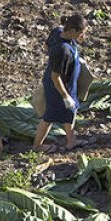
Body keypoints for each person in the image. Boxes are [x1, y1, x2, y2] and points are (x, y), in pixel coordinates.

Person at [32, 14, 89, 153]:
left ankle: (71, 141)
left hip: (67, 83)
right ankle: (37, 146)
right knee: (50, 116)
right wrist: (65, 96)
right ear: (73, 30)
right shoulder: (63, 51)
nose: (83, 36)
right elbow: (55, 76)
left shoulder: (57, 31)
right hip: (58, 86)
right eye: (81, 33)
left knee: (69, 113)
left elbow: (46, 46)